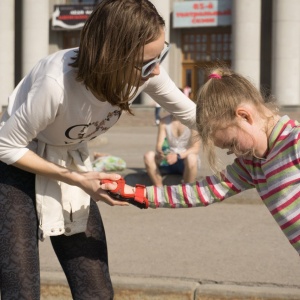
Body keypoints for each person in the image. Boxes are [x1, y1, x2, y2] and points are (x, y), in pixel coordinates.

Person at [0, 0, 196, 299]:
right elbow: (5, 146)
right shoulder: (56, 83)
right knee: (21, 291)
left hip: (67, 159)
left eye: (162, 54)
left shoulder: (146, 73)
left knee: (97, 290)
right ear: (110, 58)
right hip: (16, 163)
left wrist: (268, 131)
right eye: (146, 63)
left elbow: (197, 117)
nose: (156, 70)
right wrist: (77, 179)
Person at [106, 66, 300, 257]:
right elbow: (200, 192)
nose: (236, 153)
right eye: (229, 149)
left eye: (232, 143)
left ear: (244, 116)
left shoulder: (295, 143)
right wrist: (135, 193)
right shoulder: (252, 164)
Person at [144, 114, 200, 186]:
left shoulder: (193, 122)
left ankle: (187, 191)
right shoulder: (164, 121)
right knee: (148, 156)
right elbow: (159, 145)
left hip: (185, 161)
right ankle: (159, 190)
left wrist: (178, 156)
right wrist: (161, 152)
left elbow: (195, 148)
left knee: (192, 158)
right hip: (168, 159)